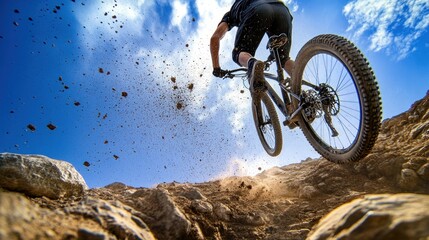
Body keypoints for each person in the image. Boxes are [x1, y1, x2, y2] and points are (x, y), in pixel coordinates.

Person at [210, 0, 294, 92]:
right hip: (282, 11)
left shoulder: (232, 12)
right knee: (283, 58)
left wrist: (216, 68)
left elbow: (215, 37)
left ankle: (253, 64)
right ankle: (301, 88)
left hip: (258, 9)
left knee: (238, 53)